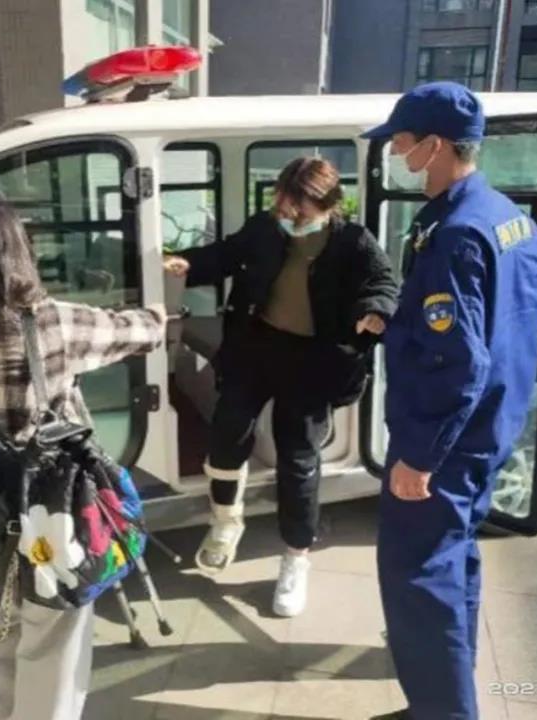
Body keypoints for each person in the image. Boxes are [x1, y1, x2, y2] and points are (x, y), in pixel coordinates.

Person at [0, 195, 165, 720]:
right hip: (50, 506)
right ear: (12, 252)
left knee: (4, 606)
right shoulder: (46, 322)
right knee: (54, 624)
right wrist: (158, 312)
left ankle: (0, 710)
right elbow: (137, 333)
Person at [362, 82, 537, 719]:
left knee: (418, 579)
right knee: (454, 561)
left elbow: (461, 362)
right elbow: (502, 324)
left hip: (448, 441)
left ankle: (443, 713)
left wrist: (419, 457)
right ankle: (444, 702)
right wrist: (399, 325)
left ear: (435, 146)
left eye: (401, 142)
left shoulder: (456, 234)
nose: (396, 154)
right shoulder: (507, 216)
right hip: (491, 425)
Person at [164, 157, 398, 617]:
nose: (287, 216)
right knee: (227, 432)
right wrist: (187, 262)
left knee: (298, 458)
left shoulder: (354, 241)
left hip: (314, 359)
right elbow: (226, 254)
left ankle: (296, 557)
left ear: (329, 204)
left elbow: (383, 283)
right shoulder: (264, 227)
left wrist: (375, 311)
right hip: (256, 346)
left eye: (299, 210)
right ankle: (226, 521)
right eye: (283, 206)